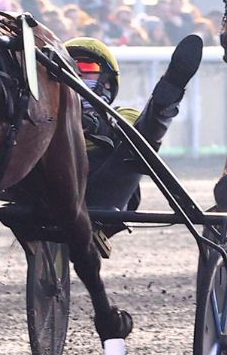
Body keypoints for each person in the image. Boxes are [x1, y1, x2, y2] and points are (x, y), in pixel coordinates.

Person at [64, 34, 204, 239]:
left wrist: (93, 124)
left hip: (103, 197)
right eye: (67, 68)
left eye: (85, 68)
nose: (75, 75)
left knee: (136, 143)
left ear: (109, 83)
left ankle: (167, 98)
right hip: (47, 193)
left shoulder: (124, 114)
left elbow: (127, 130)